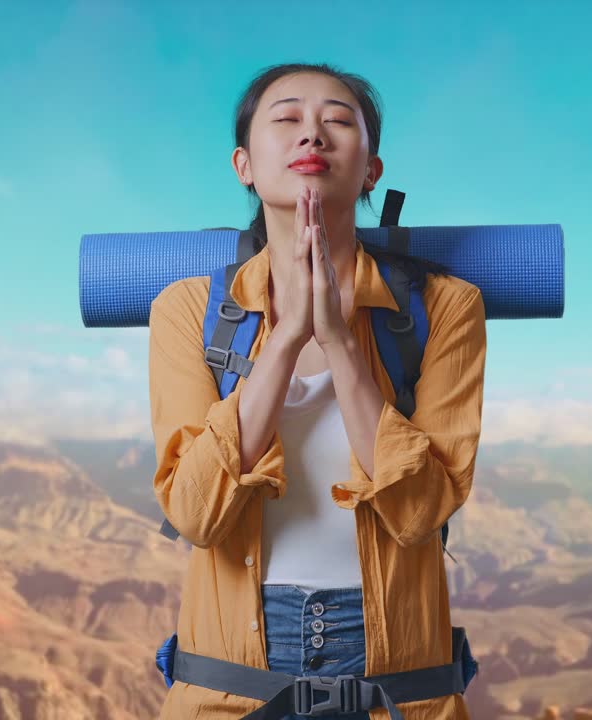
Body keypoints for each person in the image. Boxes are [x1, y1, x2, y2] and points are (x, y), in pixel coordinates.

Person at [148, 61, 487, 719]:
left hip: (400, 691)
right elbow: (195, 514)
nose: (312, 135)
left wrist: (337, 341)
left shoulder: (446, 308)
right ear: (244, 164)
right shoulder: (186, 311)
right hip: (229, 689)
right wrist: (283, 341)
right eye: (286, 119)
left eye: (337, 120)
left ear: (371, 171)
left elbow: (421, 514)